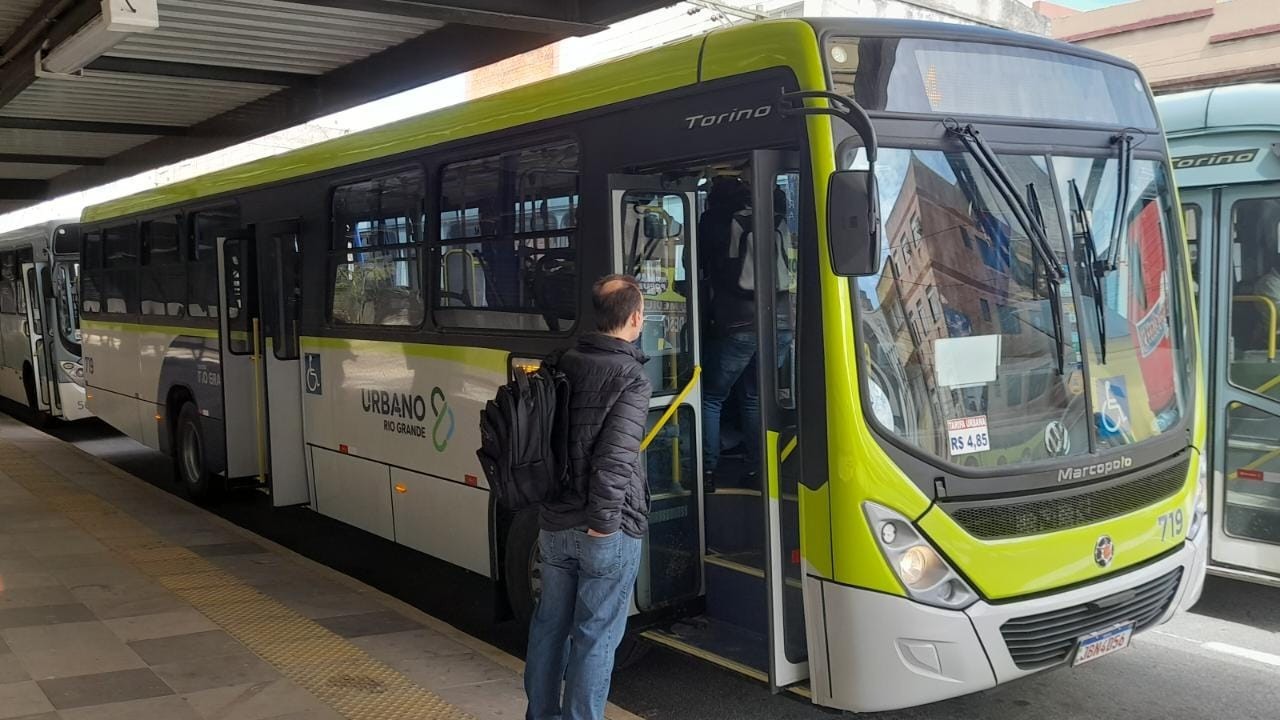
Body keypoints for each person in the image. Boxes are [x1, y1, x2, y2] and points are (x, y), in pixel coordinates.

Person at [525, 274, 653, 720]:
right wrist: (603, 527)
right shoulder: (632, 378)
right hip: (603, 527)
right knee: (595, 637)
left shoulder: (561, 362)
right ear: (634, 318)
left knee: (548, 628)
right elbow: (614, 461)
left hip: (555, 522)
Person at [699, 177, 794, 492]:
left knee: (712, 396)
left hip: (737, 324)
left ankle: (706, 471)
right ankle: (758, 469)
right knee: (754, 397)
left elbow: (696, 263)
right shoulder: (772, 216)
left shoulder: (714, 221)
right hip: (781, 322)